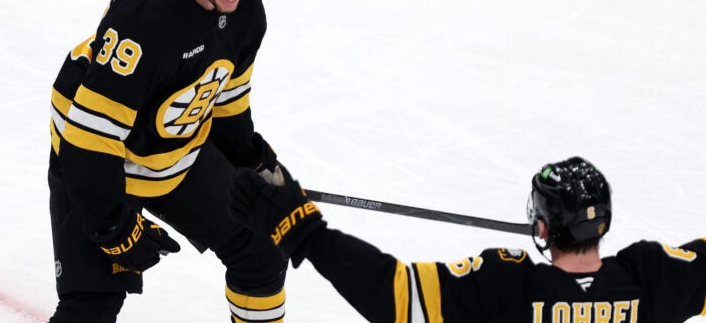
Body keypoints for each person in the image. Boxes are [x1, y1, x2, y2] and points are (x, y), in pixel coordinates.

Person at [47, 0, 291, 322]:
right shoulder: (148, 14)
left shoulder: (248, 13)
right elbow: (90, 137)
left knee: (261, 251)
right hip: (96, 161)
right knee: (93, 305)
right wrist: (113, 227)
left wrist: (255, 165)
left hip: (172, 153)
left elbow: (227, 103)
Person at [230, 156, 706, 322]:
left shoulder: (507, 286)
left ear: (540, 227)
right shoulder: (655, 278)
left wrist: (305, 231)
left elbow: (393, 295)